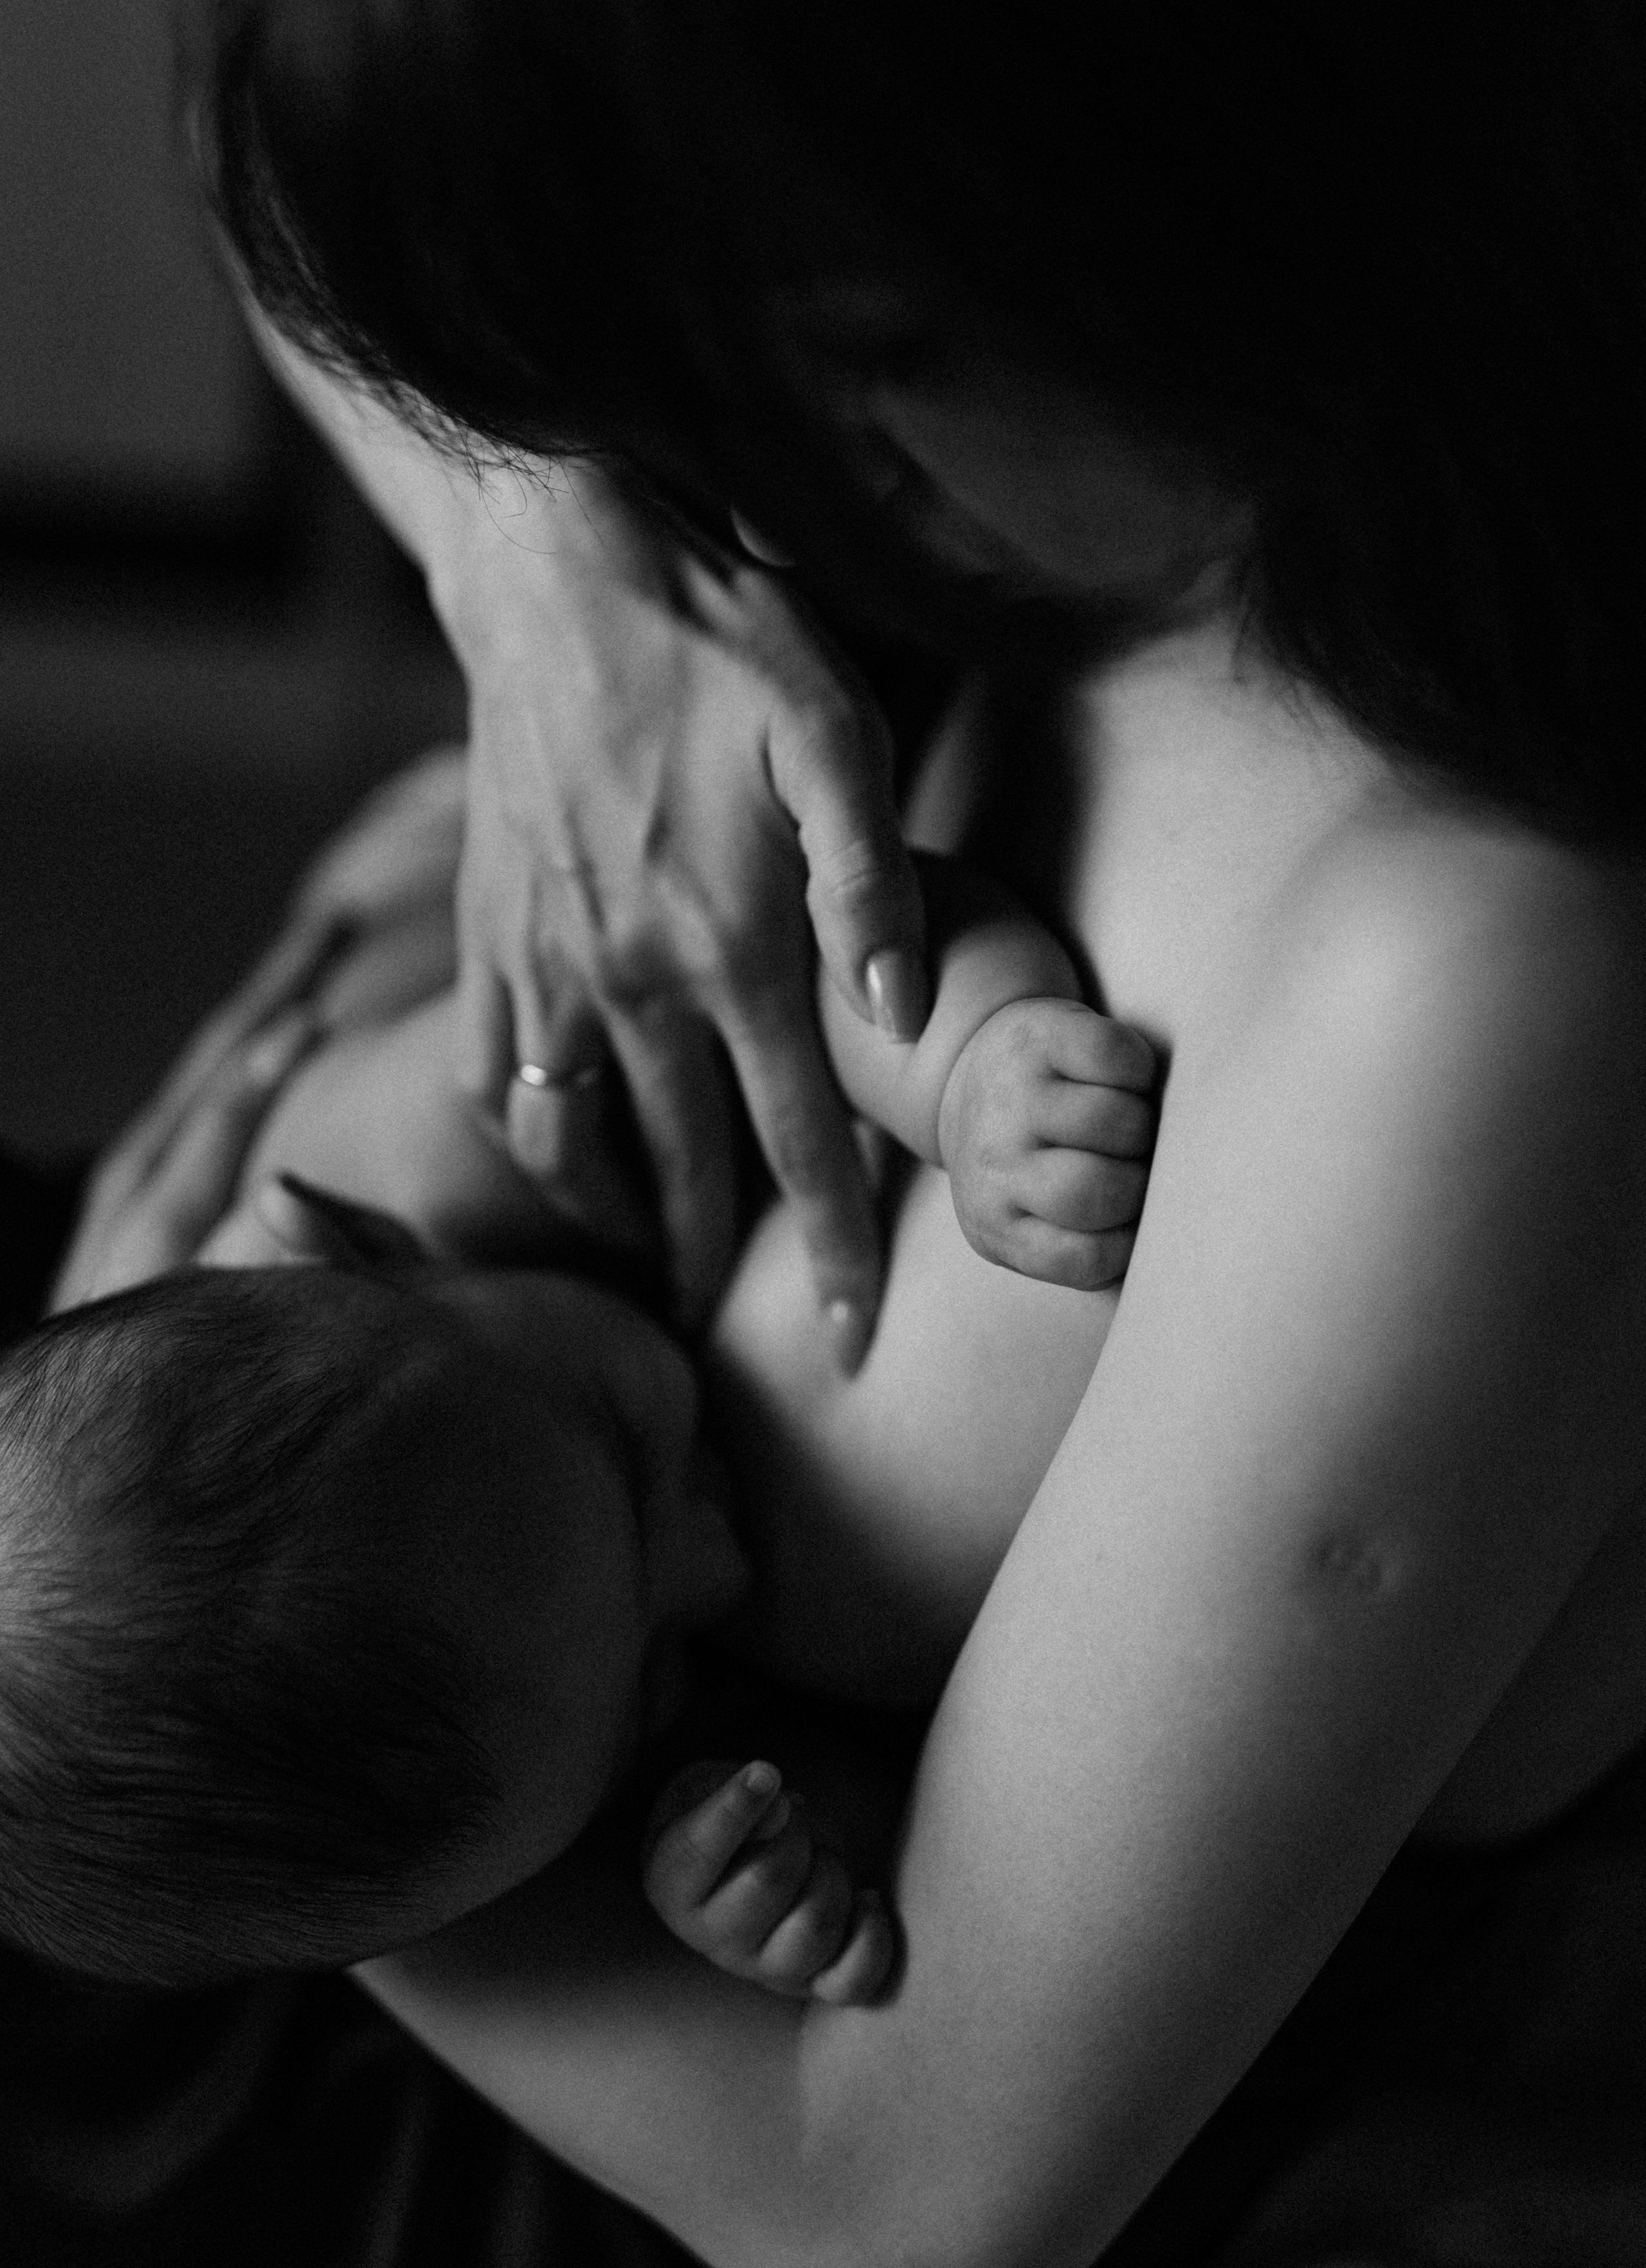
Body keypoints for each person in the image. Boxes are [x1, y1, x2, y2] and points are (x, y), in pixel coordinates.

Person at [190, 0, 1646, 2262]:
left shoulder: (1458, 982)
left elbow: (905, 2202)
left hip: (533, 1965)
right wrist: (523, 560)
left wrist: (266, 1759)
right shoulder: (970, 436)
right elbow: (319, 216)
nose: (725, 476)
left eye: (842, 361)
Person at [1, 832, 1153, 1988]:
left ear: (378, 1253)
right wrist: (747, 1860)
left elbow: (795, 938)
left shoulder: (467, 1136)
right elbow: (817, 1738)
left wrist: (962, 1072)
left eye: (629, 1449)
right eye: (654, 1680)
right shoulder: (532, 1646)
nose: (718, 1573)